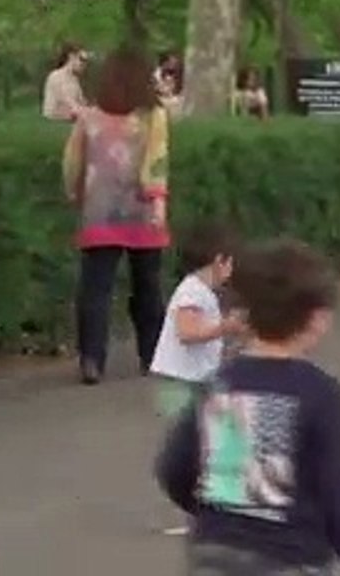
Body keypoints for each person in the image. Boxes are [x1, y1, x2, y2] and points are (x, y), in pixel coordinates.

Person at [155, 238, 340, 575]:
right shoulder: (321, 393)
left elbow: (174, 468)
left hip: (216, 549)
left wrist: (208, 511)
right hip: (292, 554)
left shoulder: (217, 383)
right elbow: (333, 488)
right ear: (317, 319)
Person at [63, 46, 170, 385]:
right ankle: (152, 355)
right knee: (147, 287)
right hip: (142, 212)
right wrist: (158, 202)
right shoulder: (153, 116)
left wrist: (75, 193)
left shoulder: (88, 117)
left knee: (95, 288)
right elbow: (157, 161)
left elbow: (72, 161)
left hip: (98, 211)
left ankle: (92, 359)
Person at [149, 221, 246, 536]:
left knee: (215, 441)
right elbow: (187, 332)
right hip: (180, 381)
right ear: (219, 260)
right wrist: (225, 328)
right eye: (230, 262)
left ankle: (216, 509)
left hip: (196, 378)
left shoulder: (202, 292)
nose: (231, 270)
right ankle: (197, 511)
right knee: (195, 446)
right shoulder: (192, 291)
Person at [42, 42, 88, 121]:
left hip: (71, 117)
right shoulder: (56, 76)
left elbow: (81, 101)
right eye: (82, 59)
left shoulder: (74, 79)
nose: (84, 64)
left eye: (86, 61)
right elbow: (67, 101)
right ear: (71, 57)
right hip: (55, 119)